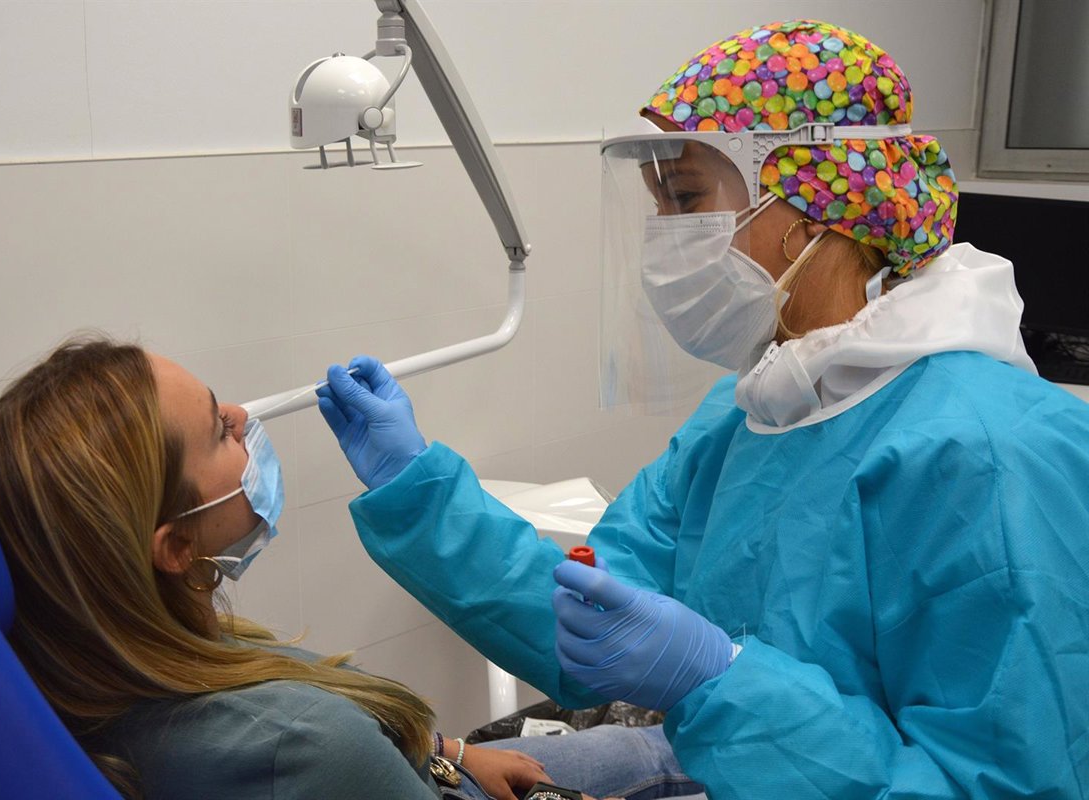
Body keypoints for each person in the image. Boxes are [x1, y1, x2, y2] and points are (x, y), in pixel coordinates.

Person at [316, 19, 1089, 799]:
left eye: (687, 199)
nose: (668, 239)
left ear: (817, 207)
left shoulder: (993, 452)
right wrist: (418, 492)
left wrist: (719, 681)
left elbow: (1005, 781)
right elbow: (587, 617)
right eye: (659, 205)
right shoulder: (749, 414)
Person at [0, 337, 700, 800]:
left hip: (439, 771)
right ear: (175, 548)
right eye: (218, 428)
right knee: (705, 756)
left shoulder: (109, 655)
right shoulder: (301, 742)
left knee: (677, 749)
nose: (242, 416)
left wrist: (454, 755)